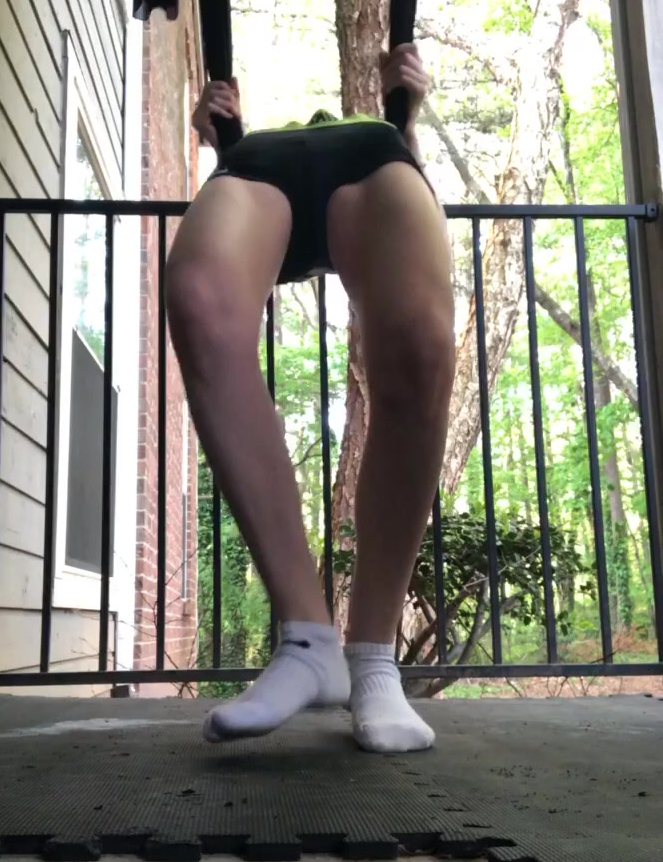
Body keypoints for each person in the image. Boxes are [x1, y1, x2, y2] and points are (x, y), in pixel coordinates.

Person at [166, 44, 455, 753]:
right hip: (255, 164)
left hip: (375, 153)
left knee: (420, 343)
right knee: (200, 302)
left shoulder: (376, 134)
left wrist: (407, 116)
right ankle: (308, 644)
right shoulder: (254, 150)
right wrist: (216, 133)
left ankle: (374, 661)